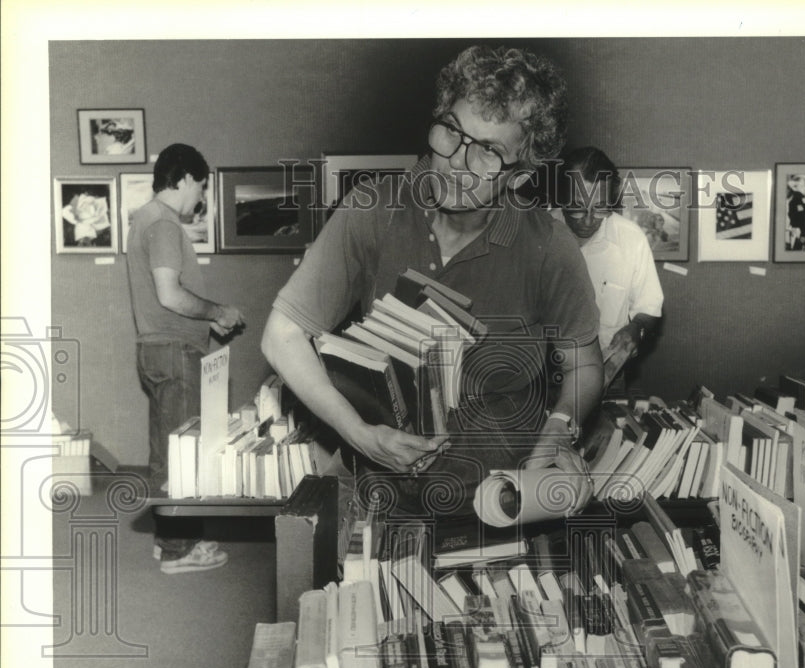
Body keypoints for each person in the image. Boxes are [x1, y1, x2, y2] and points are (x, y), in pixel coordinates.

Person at [262, 45, 602, 519]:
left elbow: (584, 366)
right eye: (453, 133)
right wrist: (360, 434)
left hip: (498, 505)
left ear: (521, 175)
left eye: (489, 152)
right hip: (381, 503)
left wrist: (558, 430)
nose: (459, 162)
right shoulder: (372, 209)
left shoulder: (550, 247)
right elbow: (282, 335)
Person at [126, 143, 246, 574]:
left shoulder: (144, 218)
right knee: (183, 454)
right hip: (175, 352)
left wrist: (205, 324)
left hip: (158, 348)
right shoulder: (163, 224)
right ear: (183, 179)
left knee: (165, 451)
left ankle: (167, 539)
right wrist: (217, 312)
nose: (200, 195)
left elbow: (161, 298)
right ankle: (179, 549)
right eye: (200, 185)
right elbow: (170, 294)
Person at [555, 146, 663, 394]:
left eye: (600, 207)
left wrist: (636, 328)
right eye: (578, 206)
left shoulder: (631, 239)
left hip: (607, 380)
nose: (589, 219)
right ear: (561, 196)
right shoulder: (537, 234)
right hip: (541, 381)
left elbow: (649, 307)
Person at [786, 173, 805, 251]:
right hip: (796, 225)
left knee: (801, 240)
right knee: (797, 241)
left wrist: (802, 207)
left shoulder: (800, 197)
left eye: (804, 186)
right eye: (799, 186)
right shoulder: (796, 196)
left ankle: (802, 245)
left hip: (801, 224)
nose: (803, 188)